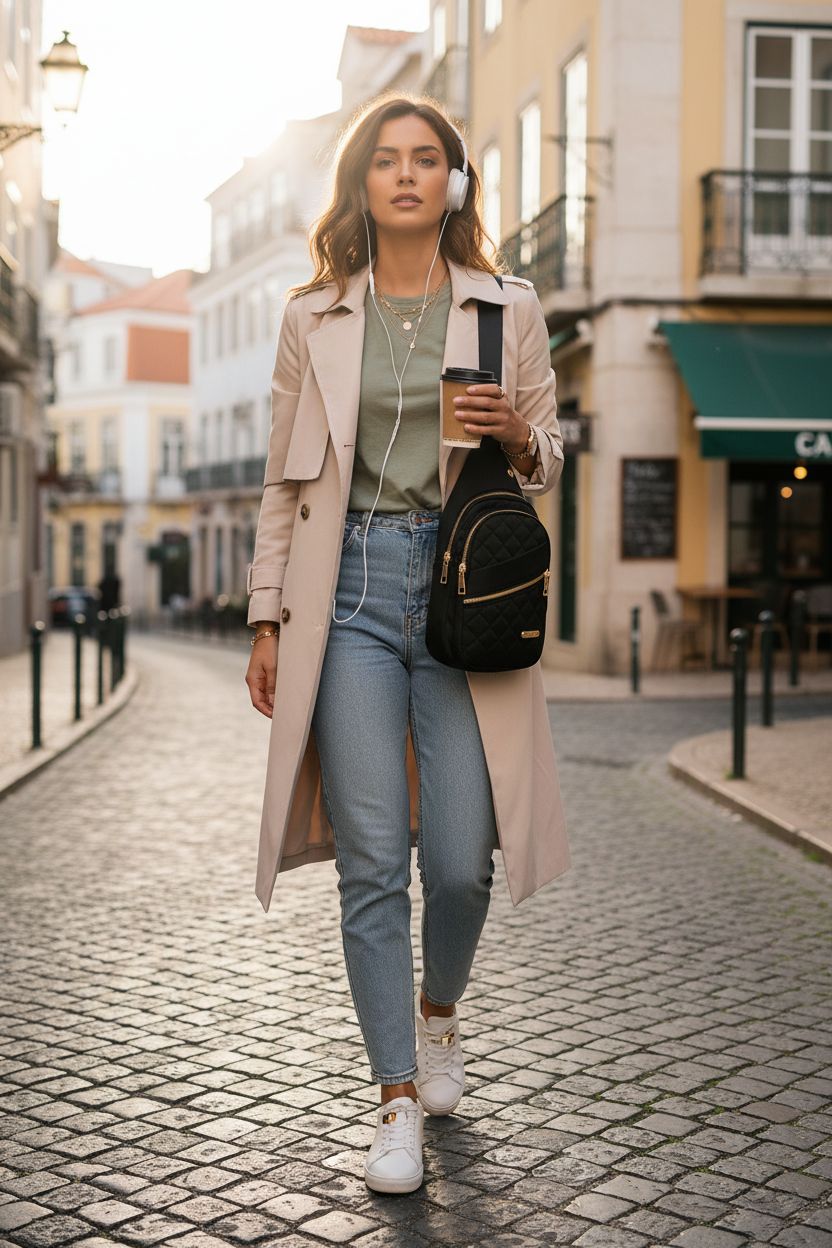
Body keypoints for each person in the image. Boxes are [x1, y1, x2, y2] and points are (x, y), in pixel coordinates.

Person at [244, 94, 570, 1195]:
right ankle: (392, 1100)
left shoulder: (502, 307)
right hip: (344, 599)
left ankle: (440, 1018)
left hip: (461, 593)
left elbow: (550, 454)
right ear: (360, 183)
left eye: (426, 159)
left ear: (455, 183)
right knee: (375, 863)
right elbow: (284, 485)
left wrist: (522, 434)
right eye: (383, 160)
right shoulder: (315, 315)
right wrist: (262, 617)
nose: (404, 175)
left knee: (463, 859)